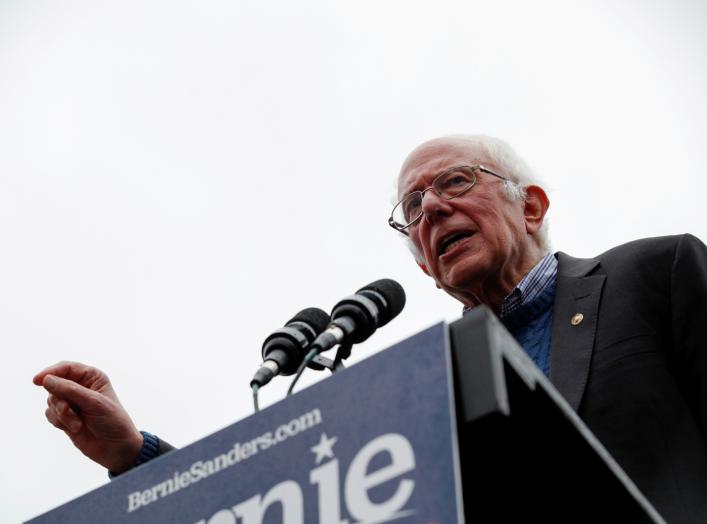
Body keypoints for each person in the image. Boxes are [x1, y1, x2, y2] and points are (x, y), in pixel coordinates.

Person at [35, 135, 707, 522]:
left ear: (529, 205)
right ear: (422, 266)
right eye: (412, 207)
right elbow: (284, 503)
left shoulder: (655, 273)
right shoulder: (424, 385)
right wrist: (133, 457)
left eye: (454, 181)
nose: (432, 207)